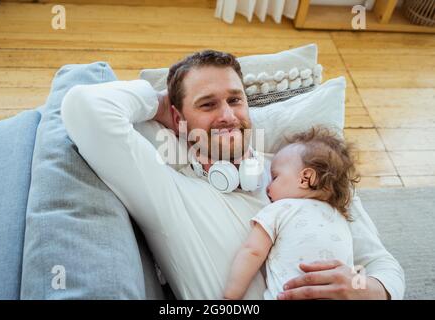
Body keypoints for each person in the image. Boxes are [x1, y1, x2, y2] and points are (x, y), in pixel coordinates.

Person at [61, 49, 405, 299]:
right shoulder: (169, 186)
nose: (227, 115)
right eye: (208, 104)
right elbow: (84, 108)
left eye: (235, 100)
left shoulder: (312, 170)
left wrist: (364, 289)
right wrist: (162, 102)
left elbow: (384, 266)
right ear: (180, 120)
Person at [224, 126, 359, 300]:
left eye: (275, 177)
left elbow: (253, 251)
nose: (267, 187)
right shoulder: (341, 220)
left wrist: (230, 298)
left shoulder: (282, 208)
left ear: (305, 178)